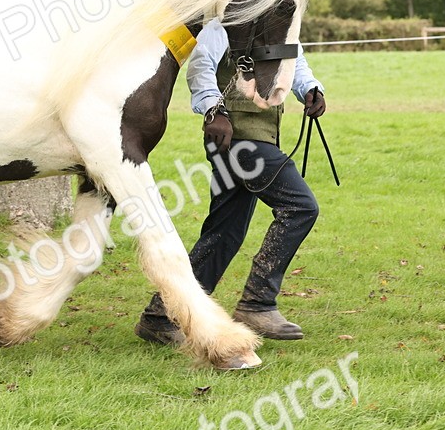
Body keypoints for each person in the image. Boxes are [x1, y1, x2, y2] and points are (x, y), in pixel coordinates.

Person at [135, 18, 326, 344]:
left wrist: (310, 88)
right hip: (235, 139)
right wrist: (213, 111)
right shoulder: (221, 20)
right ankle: (257, 302)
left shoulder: (276, 17)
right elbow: (200, 67)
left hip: (257, 136)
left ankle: (161, 317)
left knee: (224, 233)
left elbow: (292, 59)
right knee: (300, 207)